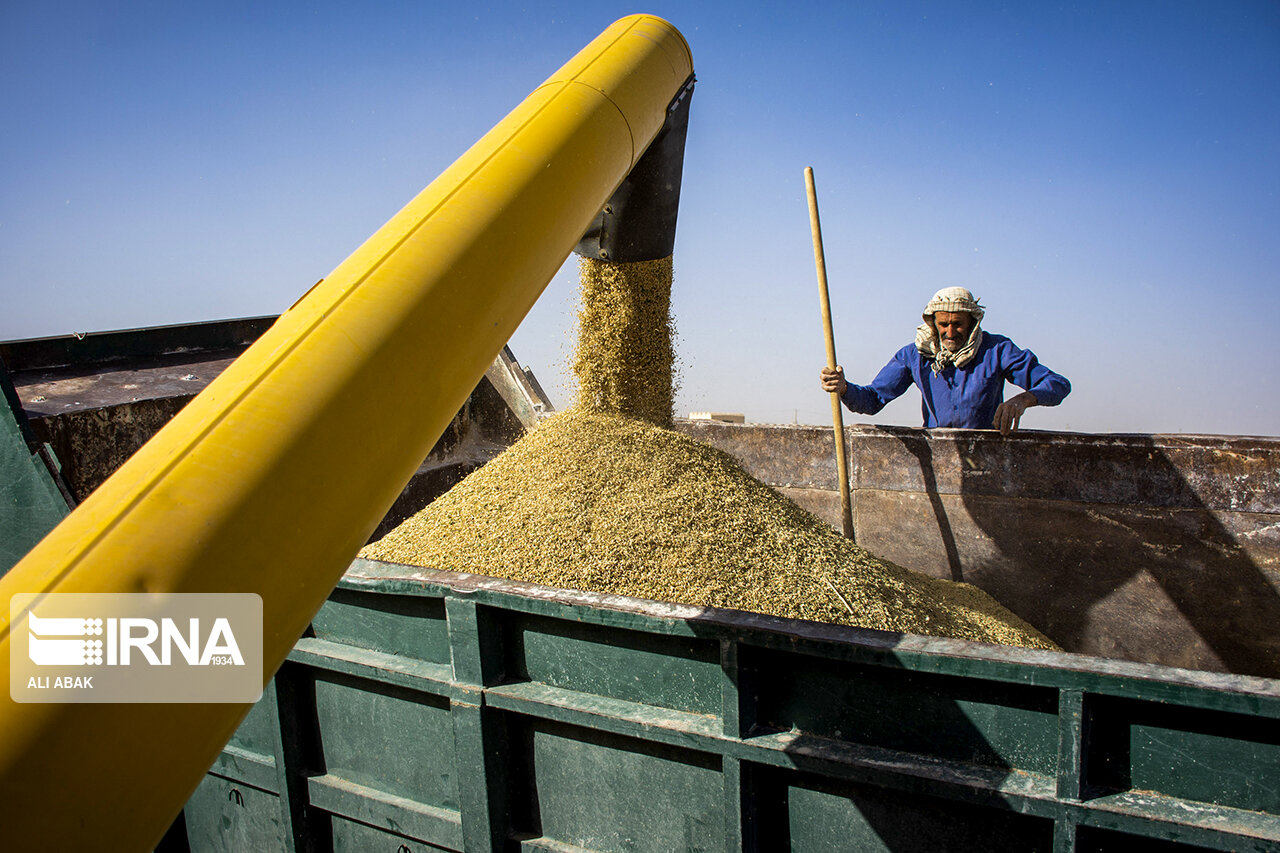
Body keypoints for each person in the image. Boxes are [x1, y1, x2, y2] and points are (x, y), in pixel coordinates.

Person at [820, 287, 1070, 434]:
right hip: (940, 456)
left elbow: (1057, 384)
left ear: (972, 324)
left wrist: (1023, 400)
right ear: (933, 324)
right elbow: (873, 399)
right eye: (944, 324)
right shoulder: (914, 355)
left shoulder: (997, 349)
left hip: (987, 455)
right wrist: (843, 387)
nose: (950, 332)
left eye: (958, 324)